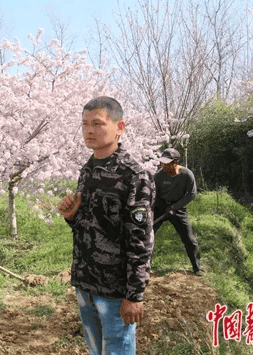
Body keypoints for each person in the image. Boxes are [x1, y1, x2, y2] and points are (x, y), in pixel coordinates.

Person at [57, 96, 155, 355]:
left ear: (119, 127)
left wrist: (134, 295)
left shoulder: (134, 175)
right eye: (85, 124)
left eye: (98, 123)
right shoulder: (87, 171)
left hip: (114, 290)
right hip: (86, 284)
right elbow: (89, 227)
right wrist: (72, 216)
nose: (89, 130)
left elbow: (141, 239)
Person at [154, 148, 202, 276]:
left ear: (175, 162)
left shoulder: (187, 174)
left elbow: (191, 194)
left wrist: (174, 207)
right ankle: (143, 267)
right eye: (162, 163)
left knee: (188, 238)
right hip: (161, 206)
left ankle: (197, 267)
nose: (163, 166)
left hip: (178, 207)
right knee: (148, 235)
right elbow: (154, 194)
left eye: (167, 163)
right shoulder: (159, 175)